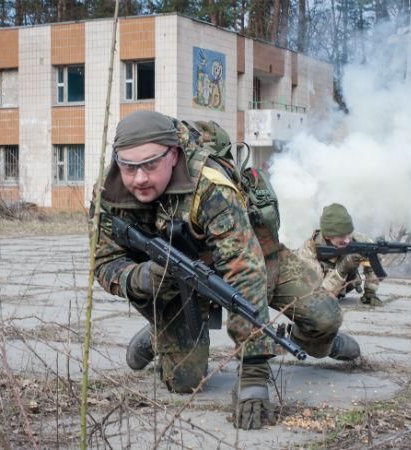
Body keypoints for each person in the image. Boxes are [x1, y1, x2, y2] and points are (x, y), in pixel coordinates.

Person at [91, 111, 360, 430]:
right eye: (128, 166)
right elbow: (105, 262)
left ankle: (320, 343)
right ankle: (158, 333)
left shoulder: (210, 186)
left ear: (173, 155)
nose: (139, 178)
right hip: (176, 281)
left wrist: (253, 375)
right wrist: (144, 278)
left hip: (256, 257)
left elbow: (245, 271)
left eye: (150, 165)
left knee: (324, 318)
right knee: (184, 382)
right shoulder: (108, 193)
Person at [297, 203, 384, 306]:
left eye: (348, 233)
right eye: (342, 236)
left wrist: (370, 292)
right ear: (327, 236)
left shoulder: (356, 239)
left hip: (342, 287)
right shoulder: (308, 252)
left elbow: (374, 260)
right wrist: (343, 269)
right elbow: (316, 296)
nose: (347, 240)